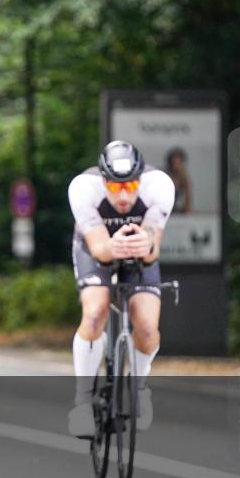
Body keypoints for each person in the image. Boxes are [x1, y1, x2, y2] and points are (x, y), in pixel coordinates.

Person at [66, 140, 175, 437]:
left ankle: (140, 387)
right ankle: (83, 402)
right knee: (95, 311)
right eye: (115, 188)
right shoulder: (84, 188)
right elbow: (100, 249)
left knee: (147, 326)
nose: (125, 195)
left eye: (131, 186)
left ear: (141, 179)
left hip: (137, 251)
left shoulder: (159, 186)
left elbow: (152, 251)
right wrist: (113, 246)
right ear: (103, 182)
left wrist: (146, 244)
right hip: (97, 247)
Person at [166, 147, 193, 214]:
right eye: (174, 162)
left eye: (178, 162)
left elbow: (188, 197)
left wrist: (187, 212)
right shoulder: (165, 176)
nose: (176, 165)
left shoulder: (183, 177)